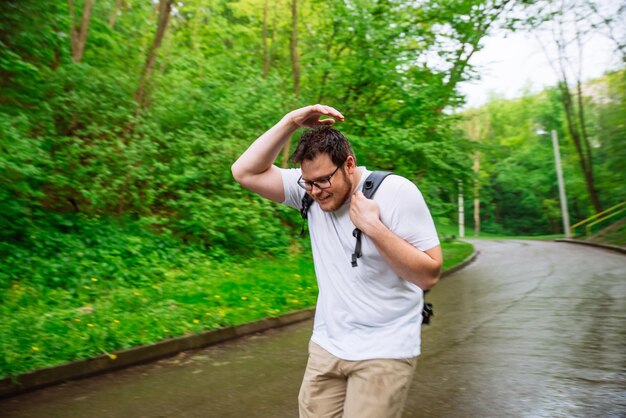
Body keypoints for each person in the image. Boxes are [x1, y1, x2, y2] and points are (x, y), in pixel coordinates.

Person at [231, 104, 442, 418]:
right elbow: (244, 171)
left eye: (322, 181)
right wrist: (290, 122)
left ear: (349, 164)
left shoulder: (395, 193)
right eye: (308, 182)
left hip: (385, 350)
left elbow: (429, 274)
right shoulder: (308, 191)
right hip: (327, 347)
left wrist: (373, 227)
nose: (315, 191)